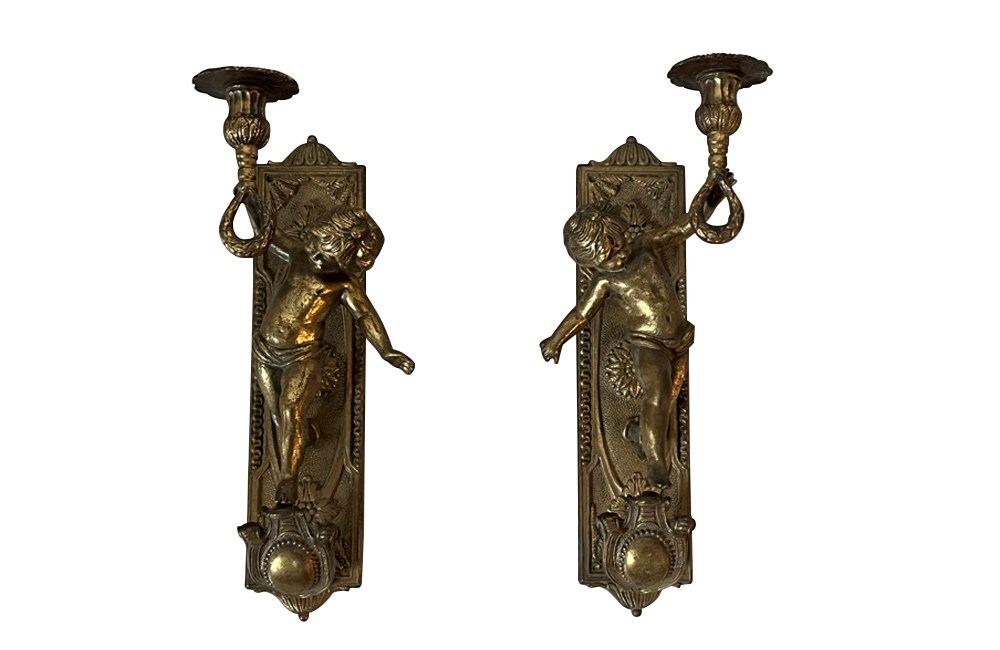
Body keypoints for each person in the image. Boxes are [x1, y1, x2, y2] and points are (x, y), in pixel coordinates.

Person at [254, 206, 414, 504]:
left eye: (325, 256)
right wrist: (250, 197)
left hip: (303, 356)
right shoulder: (299, 253)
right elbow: (268, 234)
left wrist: (387, 351)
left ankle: (287, 479)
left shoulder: (341, 283)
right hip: (265, 350)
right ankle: (304, 437)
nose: (315, 257)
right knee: (277, 416)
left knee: (290, 410)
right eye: (316, 248)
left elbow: (365, 316)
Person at [540, 201, 694, 487]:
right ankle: (657, 463)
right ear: (595, 264)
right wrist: (556, 340)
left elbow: (684, 227)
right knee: (657, 394)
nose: (619, 257)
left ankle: (641, 434)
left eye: (619, 244)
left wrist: (712, 196)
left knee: (668, 404)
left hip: (680, 337)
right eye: (608, 259)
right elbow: (581, 314)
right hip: (647, 342)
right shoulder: (604, 282)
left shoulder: (646, 245)